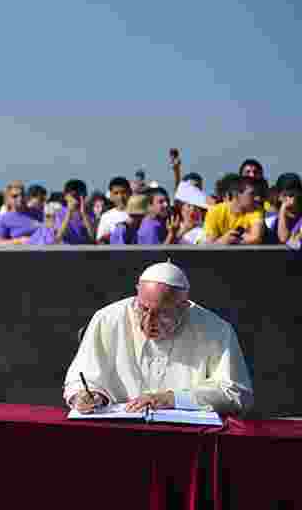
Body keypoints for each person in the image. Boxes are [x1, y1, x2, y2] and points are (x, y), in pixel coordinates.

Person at [64, 261, 254, 417]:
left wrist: (171, 399)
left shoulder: (216, 329)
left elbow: (236, 394)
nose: (148, 322)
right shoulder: (107, 319)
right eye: (143, 309)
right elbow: (81, 378)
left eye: (162, 313)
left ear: (184, 306)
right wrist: (86, 396)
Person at [203, 175, 264, 245]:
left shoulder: (256, 210)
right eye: (252, 194)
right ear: (236, 193)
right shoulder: (215, 211)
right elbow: (209, 246)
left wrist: (232, 240)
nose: (256, 198)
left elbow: (256, 238)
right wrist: (224, 240)